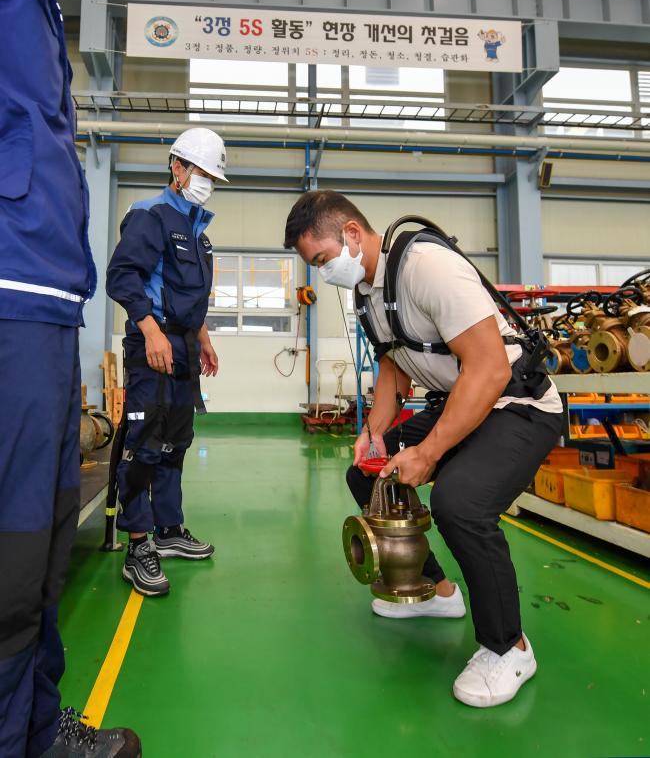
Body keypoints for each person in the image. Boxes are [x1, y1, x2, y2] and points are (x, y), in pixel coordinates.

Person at [283, 190, 563, 708]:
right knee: (367, 473)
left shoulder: (427, 267)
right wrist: (375, 431)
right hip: (462, 400)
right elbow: (393, 365)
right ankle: (433, 590)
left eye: (322, 259)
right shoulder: (367, 293)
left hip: (516, 403)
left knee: (460, 504)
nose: (323, 273)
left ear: (350, 233)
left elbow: (489, 369)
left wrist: (428, 452)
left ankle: (509, 647)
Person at [0, 0, 141, 756]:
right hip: (8, 294)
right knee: (9, 557)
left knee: (43, 550)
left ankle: (35, 726)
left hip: (49, 303)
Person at [106, 127, 225, 597]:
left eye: (213, 176)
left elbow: (190, 298)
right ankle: (138, 546)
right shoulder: (150, 214)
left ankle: (169, 529)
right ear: (177, 167)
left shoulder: (199, 234)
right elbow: (123, 276)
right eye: (202, 172)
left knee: (176, 442)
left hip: (185, 350)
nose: (207, 182)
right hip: (151, 347)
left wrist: (204, 340)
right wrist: (151, 331)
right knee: (145, 444)